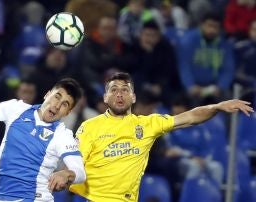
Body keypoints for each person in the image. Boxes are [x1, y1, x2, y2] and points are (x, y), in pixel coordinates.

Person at [69, 72, 254, 201]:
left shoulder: (148, 124)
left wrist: (216, 107)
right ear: (105, 98)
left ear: (133, 97)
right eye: (113, 90)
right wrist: (65, 173)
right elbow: (75, 162)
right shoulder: (89, 127)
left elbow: (190, 117)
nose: (119, 94)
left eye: (124, 90)